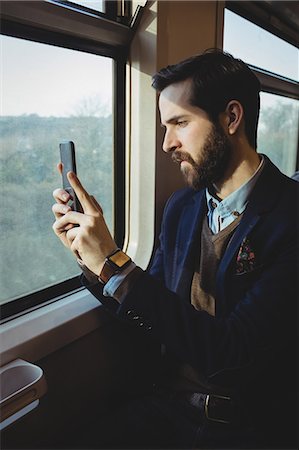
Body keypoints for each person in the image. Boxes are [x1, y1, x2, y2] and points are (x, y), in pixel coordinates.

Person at [52, 49, 298, 449]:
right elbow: (152, 309)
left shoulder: (291, 217)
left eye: (179, 123)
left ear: (231, 118)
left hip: (246, 426)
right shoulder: (182, 207)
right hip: (166, 405)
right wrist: (92, 258)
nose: (167, 144)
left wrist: (116, 266)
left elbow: (232, 355)